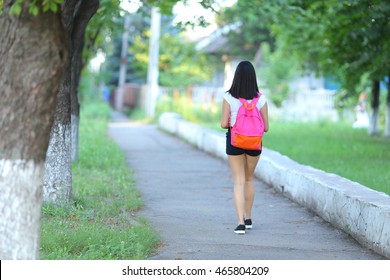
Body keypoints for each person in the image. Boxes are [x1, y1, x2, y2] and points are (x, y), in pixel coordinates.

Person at [221, 61, 269, 235]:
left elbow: (222, 124)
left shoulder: (228, 97)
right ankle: (249, 218)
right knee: (249, 179)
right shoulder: (261, 98)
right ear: (253, 77)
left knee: (238, 181)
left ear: (237, 77)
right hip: (254, 143)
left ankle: (240, 223)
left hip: (235, 141)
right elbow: (266, 127)